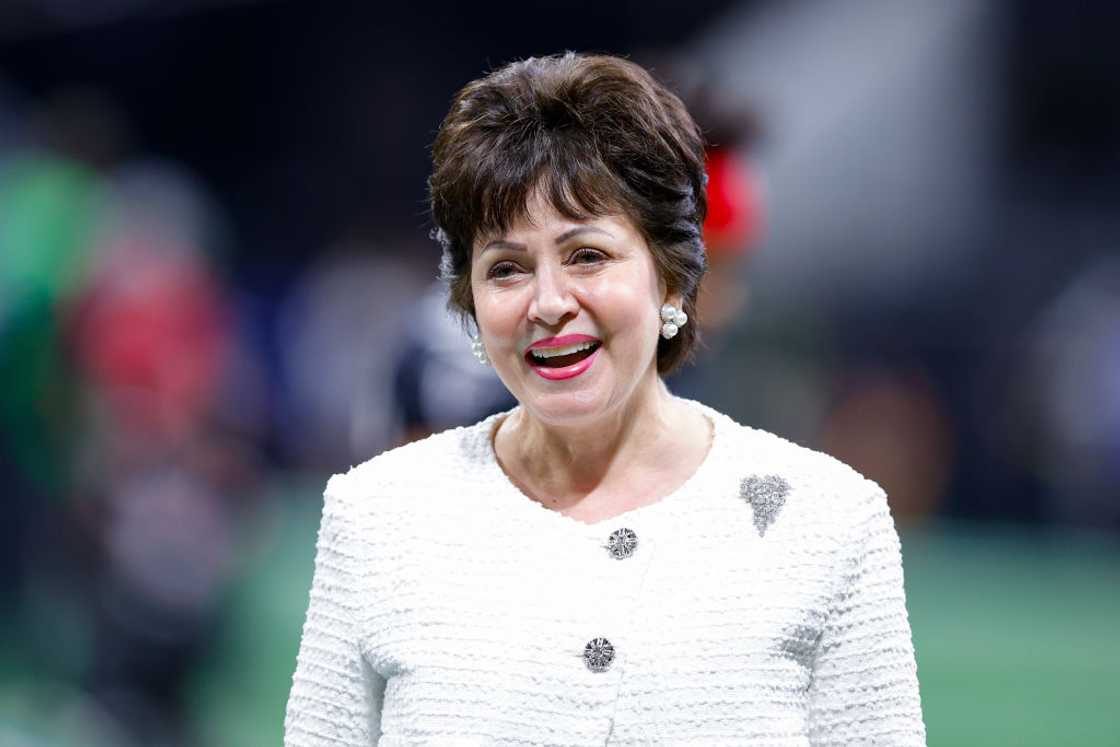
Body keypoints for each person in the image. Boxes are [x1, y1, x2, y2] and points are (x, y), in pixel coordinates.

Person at [284, 52, 926, 745]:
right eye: (507, 268)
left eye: (588, 255)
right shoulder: (379, 514)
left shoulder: (828, 521)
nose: (550, 302)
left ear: (676, 276)